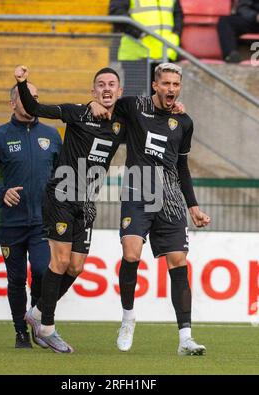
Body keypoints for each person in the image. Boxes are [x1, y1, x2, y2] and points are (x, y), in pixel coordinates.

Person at [89, 63, 210, 356]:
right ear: (155, 85)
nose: (171, 89)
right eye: (166, 84)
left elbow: (182, 166)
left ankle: (185, 338)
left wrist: (192, 205)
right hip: (137, 191)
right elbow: (107, 103)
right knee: (131, 253)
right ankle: (128, 318)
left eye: (175, 85)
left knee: (178, 262)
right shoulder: (134, 106)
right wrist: (94, 102)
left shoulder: (184, 122)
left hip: (169, 198)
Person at [14, 65, 127, 353]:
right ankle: (47, 329)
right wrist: (22, 82)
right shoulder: (78, 112)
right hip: (62, 195)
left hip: (87, 203)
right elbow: (33, 106)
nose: (106, 88)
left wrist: (175, 109)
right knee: (60, 262)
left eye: (111, 84)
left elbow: (152, 120)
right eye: (100, 84)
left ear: (119, 91)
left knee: (76, 267)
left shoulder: (123, 123)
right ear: (93, 91)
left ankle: (37, 313)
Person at [0, 83, 62, 348]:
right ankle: (20, 332)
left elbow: (62, 176)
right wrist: (1, 191)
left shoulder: (52, 135)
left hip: (42, 221)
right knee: (16, 279)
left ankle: (38, 323)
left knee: (41, 271)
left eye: (35, 97)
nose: (31, 100)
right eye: (25, 97)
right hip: (10, 222)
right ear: (12, 103)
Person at [109, 0, 183, 95]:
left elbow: (178, 15)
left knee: (160, 99)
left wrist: (176, 34)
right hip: (137, 53)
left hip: (164, 53)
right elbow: (116, 14)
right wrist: (139, 33)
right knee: (133, 99)